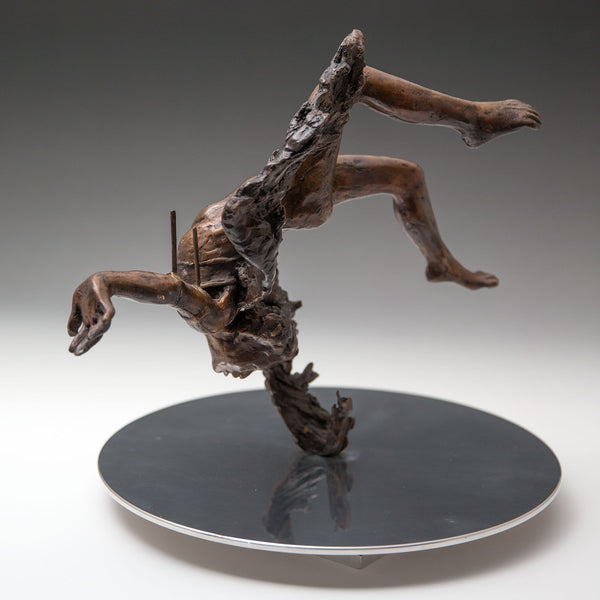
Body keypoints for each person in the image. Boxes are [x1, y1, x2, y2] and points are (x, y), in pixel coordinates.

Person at [68, 30, 540, 455]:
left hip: (263, 206)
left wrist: (104, 282)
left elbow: (169, 289)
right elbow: (268, 356)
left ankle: (440, 261)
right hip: (288, 206)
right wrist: (105, 282)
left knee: (405, 176)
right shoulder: (243, 317)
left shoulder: (216, 317)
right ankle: (472, 120)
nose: (231, 366)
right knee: (349, 79)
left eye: (245, 358)